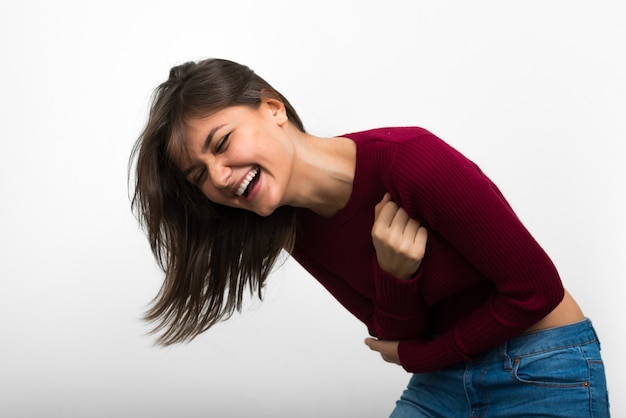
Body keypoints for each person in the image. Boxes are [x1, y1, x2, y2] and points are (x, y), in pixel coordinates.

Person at [129, 58, 610, 417]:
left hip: (543, 364)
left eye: (221, 143)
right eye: (199, 176)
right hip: (442, 383)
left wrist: (420, 357)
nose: (218, 176)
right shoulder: (290, 229)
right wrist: (394, 274)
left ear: (272, 108)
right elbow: (395, 332)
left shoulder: (411, 161)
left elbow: (536, 291)